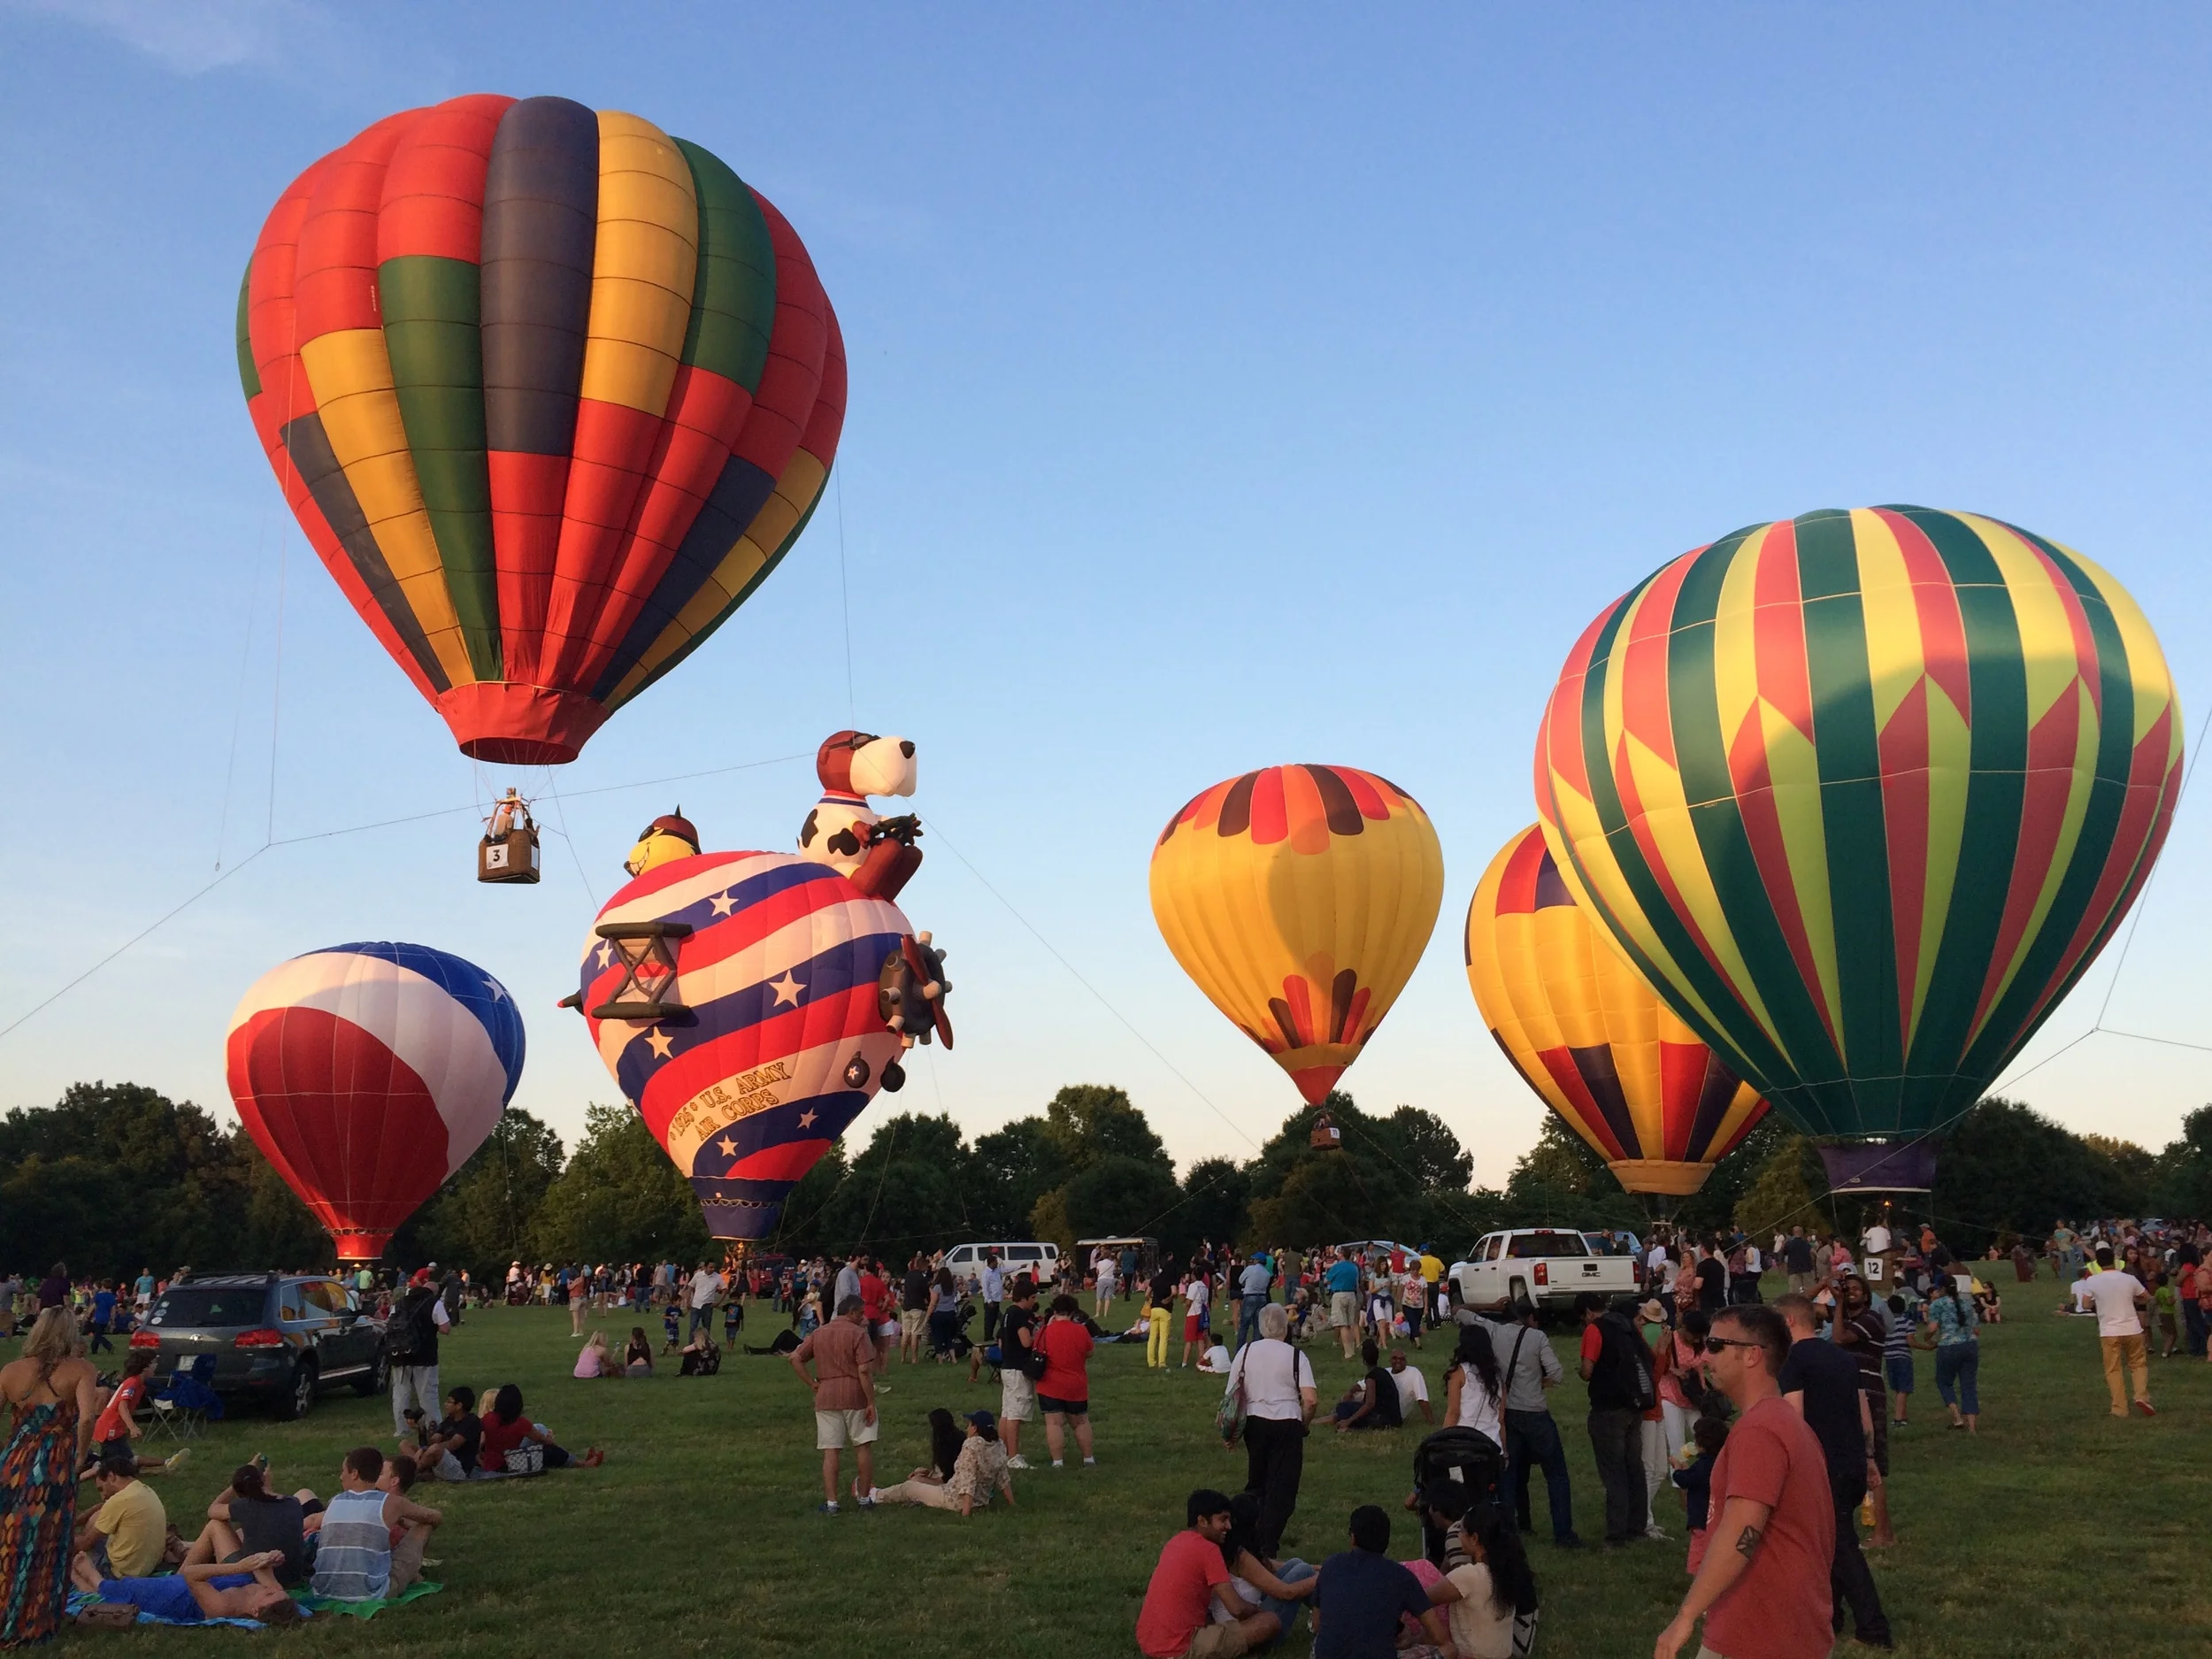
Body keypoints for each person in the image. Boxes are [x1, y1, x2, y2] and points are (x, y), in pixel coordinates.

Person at [1654, 1305, 1835, 1659]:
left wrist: (1685, 1617)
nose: (1706, 1355)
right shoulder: (1785, 1422)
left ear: (1752, 1355)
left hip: (1757, 1634)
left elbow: (1742, 1532)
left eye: (1717, 1345)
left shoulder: (1759, 1432)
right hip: (1791, 1630)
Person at [1775, 1294, 1892, 1649]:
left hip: (1821, 1464)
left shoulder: (1792, 1360)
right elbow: (1863, 1411)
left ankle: (1874, 1630)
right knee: (1829, 1543)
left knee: (1841, 1546)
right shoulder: (1843, 1357)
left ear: (1790, 1322)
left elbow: (1793, 1416)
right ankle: (1832, 1616)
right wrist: (1870, 1458)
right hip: (1852, 1460)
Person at [1, 1309, 99, 1646]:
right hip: (55, 1462)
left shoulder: (11, 1371)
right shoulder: (81, 1369)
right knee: (48, 1543)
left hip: (15, 1462)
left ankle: (6, 1612)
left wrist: (11, 1449)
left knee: (10, 1540)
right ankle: (37, 1619)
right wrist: (81, 1456)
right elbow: (87, 1419)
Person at [1136, 1489, 1281, 1659]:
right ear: (1202, 1521)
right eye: (1223, 1520)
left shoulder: (1175, 1542)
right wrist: (1258, 1612)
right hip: (1180, 1648)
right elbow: (1237, 1609)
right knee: (1270, 1621)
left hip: (1148, 1644)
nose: (1229, 1526)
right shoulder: (1208, 1549)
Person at [1224, 1302, 1317, 1558]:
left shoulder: (1245, 1352)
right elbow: (1310, 1400)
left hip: (1254, 1422)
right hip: (1287, 1422)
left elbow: (1231, 1395)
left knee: (1257, 1481)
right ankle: (1268, 1542)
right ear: (1285, 1328)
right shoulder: (1296, 1356)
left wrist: (1231, 1433)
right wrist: (1305, 1424)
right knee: (1282, 1488)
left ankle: (1249, 1534)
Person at [1483, 1296, 1576, 1548]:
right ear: (1531, 1318)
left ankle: (1511, 1530)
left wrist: (1488, 1307)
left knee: (1511, 1475)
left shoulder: (1495, 1332)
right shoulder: (1538, 1337)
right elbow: (1556, 1372)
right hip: (1535, 1412)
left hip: (1509, 1411)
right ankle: (1563, 1533)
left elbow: (1460, 1313)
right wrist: (1539, 1381)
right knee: (1556, 1475)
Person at [1310, 1504, 1450, 1657]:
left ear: (1353, 1538)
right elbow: (1439, 1636)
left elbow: (1317, 1625)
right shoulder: (1401, 1576)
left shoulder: (1331, 1564)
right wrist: (1413, 1640)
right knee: (1449, 1650)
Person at [307, 1447, 441, 1600]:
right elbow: (435, 1517)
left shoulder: (335, 1501)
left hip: (323, 1590)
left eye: (344, 1471)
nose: (341, 1477)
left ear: (355, 1474)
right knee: (425, 1526)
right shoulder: (393, 1503)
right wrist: (404, 1520)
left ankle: (413, 1575)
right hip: (370, 1593)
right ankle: (416, 1575)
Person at [1574, 1292, 1652, 1548]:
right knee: (1634, 1467)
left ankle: (1617, 1532)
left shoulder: (1595, 1330)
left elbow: (1587, 1371)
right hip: (1634, 1404)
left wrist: (1581, 1371)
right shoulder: (1627, 1325)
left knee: (1613, 1470)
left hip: (1608, 1407)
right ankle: (1637, 1526)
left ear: (1587, 1312)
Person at [80, 1538, 300, 1625]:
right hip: (193, 1583)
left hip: (175, 1595)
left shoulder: (223, 1607)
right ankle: (86, 1579)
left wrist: (239, 1567)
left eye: (269, 1595)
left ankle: (91, 1578)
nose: (272, 1589)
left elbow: (192, 1573)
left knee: (124, 1590)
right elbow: (262, 1569)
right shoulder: (276, 1595)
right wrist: (270, 1558)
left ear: (254, 1611)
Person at [791, 1294, 878, 1513]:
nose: (862, 1318)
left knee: (831, 1450)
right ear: (850, 1313)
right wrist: (871, 1402)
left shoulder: (819, 1333)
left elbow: (795, 1358)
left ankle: (831, 1503)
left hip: (826, 1395)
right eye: (859, 1313)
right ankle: (864, 1499)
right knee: (863, 1445)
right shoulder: (858, 1334)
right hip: (855, 1394)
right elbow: (864, 1370)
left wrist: (812, 1383)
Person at [1424, 1500, 1536, 1659]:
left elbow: (1420, 1599)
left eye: (1461, 1531)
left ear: (1474, 1538)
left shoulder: (1469, 1575)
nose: (1458, 1535)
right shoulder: (1506, 1570)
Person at [867, 1408, 1016, 1514]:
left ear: (975, 1428)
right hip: (982, 1500)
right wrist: (1012, 1504)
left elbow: (967, 1479)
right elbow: (1003, 1479)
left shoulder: (972, 1446)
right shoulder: (998, 1445)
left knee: (908, 1487)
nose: (967, 1427)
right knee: (918, 1483)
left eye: (969, 1424)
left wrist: (966, 1512)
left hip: (953, 1498)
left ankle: (875, 1495)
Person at [204, 1462, 313, 1585]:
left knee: (215, 1525)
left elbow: (212, 1510)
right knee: (242, 1533)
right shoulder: (293, 1503)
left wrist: (237, 1483)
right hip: (291, 1579)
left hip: (256, 1580)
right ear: (265, 1478)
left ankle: (183, 1577)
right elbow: (271, 1510)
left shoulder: (245, 1506)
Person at [72, 1448, 165, 1586]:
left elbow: (83, 1544)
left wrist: (60, 1531)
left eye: (101, 1489)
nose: (103, 1496)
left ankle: (90, 1586)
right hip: (146, 1567)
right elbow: (101, 1508)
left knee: (71, 1564)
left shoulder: (118, 1501)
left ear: (111, 1477)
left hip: (120, 1574)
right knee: (98, 1516)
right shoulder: (144, 1490)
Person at [2076, 1244, 2150, 1417]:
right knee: (2138, 1364)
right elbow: (2146, 1297)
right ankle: (2141, 1395)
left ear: (2098, 1264)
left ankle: (2120, 1408)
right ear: (2115, 1262)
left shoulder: (2092, 1281)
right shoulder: (2129, 1278)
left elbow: (2086, 1304)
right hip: (2132, 1328)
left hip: (2109, 1330)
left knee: (2113, 1369)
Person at [480, 1383, 603, 1473]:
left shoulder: (487, 1418)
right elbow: (543, 1440)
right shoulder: (520, 1423)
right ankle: (581, 1464)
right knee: (550, 1451)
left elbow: (481, 1442)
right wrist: (554, 1445)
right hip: (511, 1463)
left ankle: (577, 1460)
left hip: (491, 1464)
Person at [1035, 1293, 1097, 1468]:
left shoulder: (1045, 1332)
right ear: (1073, 1312)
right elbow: (1090, 1352)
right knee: (1081, 1422)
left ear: (1054, 1311)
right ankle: (1088, 1458)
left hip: (1050, 1385)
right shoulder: (1081, 1330)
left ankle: (1057, 1462)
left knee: (1054, 1423)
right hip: (1076, 1384)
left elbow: (1037, 1351)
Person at [388, 1268, 449, 1440]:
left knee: (400, 1394)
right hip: (425, 1355)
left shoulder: (400, 1302)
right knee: (427, 1394)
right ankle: (433, 1427)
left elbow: (390, 1324)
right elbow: (445, 1328)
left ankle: (401, 1429)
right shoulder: (433, 1303)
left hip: (399, 1354)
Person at [1916, 1272, 1983, 1430]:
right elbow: (1976, 1329)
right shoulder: (1967, 1303)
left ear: (1943, 1288)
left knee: (1944, 1381)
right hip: (1970, 1345)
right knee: (1969, 1384)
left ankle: (1957, 1418)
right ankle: (1972, 1427)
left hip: (1949, 1346)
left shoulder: (1937, 1304)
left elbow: (1932, 1328)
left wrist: (1927, 1339)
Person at [997, 1277, 1041, 1469]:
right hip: (1018, 1368)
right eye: (1032, 1297)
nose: (1034, 1301)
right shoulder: (1020, 1315)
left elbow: (1000, 1340)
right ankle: (1013, 1457)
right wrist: (1036, 1335)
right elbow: (1026, 1342)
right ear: (1025, 1298)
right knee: (1015, 1415)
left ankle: (1003, 1452)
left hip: (1006, 1365)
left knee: (1006, 1412)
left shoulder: (1007, 1312)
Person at [1669, 1414, 1727, 1559]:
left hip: (1700, 1519)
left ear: (1701, 1444)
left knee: (1700, 1554)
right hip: (1718, 1518)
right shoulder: (1721, 1463)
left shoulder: (1702, 1466)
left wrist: (1677, 1468)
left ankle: (1700, 1577)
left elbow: (1684, 1480)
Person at [1333, 1339, 1402, 1432]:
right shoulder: (1383, 1372)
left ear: (1364, 1360)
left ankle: (1347, 1427)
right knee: (1351, 1406)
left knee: (1343, 1407)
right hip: (1394, 1418)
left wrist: (1349, 1420)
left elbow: (1369, 1404)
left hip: (1383, 1419)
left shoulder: (1371, 1377)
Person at [416, 1387, 483, 1481]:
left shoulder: (471, 1421)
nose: (445, 1404)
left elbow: (454, 1444)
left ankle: (411, 1473)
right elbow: (433, 1440)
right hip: (442, 1461)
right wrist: (421, 1429)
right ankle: (421, 1471)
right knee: (405, 1444)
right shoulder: (449, 1420)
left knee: (435, 1448)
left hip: (459, 1467)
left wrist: (427, 1449)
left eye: (449, 1402)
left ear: (459, 1405)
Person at [1325, 1249, 1362, 1362]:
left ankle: (1348, 1352)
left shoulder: (1337, 1267)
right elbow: (1357, 1283)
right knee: (1351, 1323)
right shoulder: (1354, 1268)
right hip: (1351, 1294)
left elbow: (1326, 1280)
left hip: (1339, 1294)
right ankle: (1353, 1348)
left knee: (1342, 1324)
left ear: (1341, 1255)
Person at [899, 1253, 931, 1365]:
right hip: (917, 1307)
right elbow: (926, 1293)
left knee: (905, 1333)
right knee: (915, 1333)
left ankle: (902, 1358)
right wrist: (928, 1300)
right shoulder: (922, 1278)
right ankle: (914, 1358)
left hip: (906, 1306)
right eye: (927, 1267)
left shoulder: (908, 1275)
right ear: (922, 1266)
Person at [1386, 1350, 1432, 1426]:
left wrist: (1431, 1421)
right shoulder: (1385, 1372)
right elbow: (1362, 1385)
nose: (1398, 1361)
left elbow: (1422, 1399)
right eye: (1395, 1358)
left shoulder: (1413, 1373)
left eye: (1402, 1359)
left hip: (1392, 1417)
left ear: (1406, 1361)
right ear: (1390, 1360)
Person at [1145, 1278, 1176, 1371]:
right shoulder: (1171, 1280)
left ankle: (1151, 1362)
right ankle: (1161, 1362)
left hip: (1154, 1309)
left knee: (1152, 1337)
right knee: (1163, 1338)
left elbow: (1147, 1294)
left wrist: (1151, 1300)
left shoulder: (1154, 1280)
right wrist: (1168, 1299)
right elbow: (1174, 1292)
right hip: (1165, 1310)